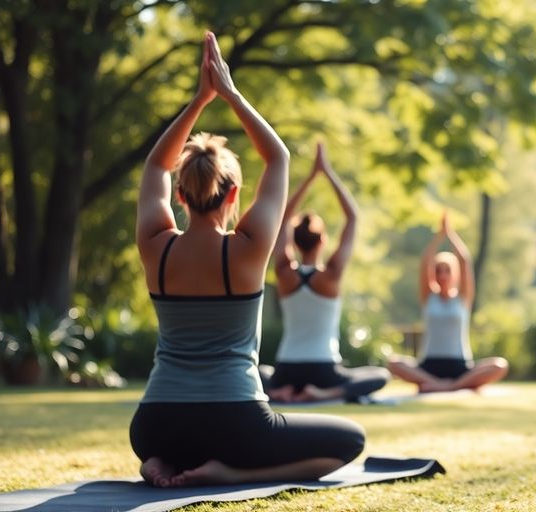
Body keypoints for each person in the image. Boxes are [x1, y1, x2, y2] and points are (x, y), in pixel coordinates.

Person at [130, 32, 364, 488]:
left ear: (180, 195)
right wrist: (229, 93)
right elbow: (277, 157)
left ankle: (158, 461)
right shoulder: (248, 249)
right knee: (350, 441)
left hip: (154, 424)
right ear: (235, 194)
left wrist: (198, 101)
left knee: (169, 440)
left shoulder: (156, 245)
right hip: (235, 423)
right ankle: (226, 472)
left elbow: (155, 166)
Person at [259, 142, 390, 403]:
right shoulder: (330, 275)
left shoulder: (284, 272)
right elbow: (352, 217)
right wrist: (326, 172)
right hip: (324, 368)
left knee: (261, 370)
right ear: (322, 241)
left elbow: (283, 216)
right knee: (380, 375)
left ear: (295, 242)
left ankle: (277, 392)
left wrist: (308, 179)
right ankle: (325, 393)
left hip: (287, 369)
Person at [387, 212, 509, 392]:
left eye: (447, 270)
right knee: (393, 362)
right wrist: (438, 237)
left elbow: (464, 261)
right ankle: (440, 384)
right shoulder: (429, 297)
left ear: (455, 274)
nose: (442, 275)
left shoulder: (463, 298)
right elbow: (425, 262)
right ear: (433, 274)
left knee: (500, 365)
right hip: (428, 366)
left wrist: (450, 234)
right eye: (438, 270)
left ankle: (449, 386)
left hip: (459, 366)